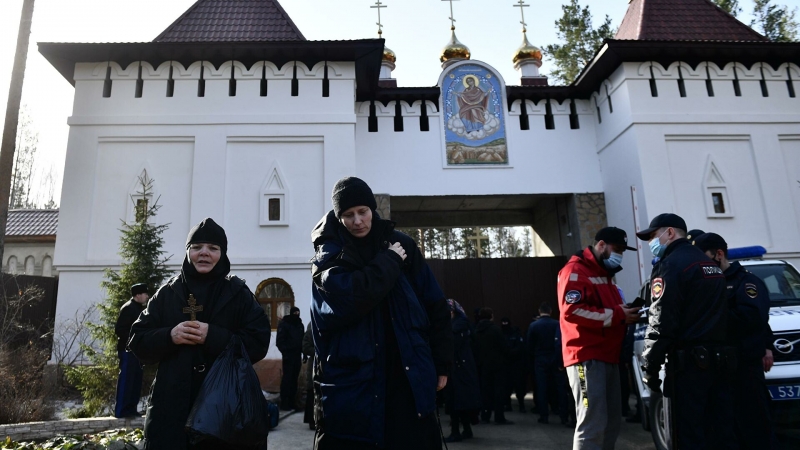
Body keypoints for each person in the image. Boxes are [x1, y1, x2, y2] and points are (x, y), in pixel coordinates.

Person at [310, 177, 453, 450]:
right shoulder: (328, 255)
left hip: (406, 379)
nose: (357, 221)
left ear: (373, 209)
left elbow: (435, 305)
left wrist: (442, 362)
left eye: (362, 212)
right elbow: (347, 301)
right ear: (338, 217)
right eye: (348, 215)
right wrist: (388, 262)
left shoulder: (403, 245)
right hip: (353, 384)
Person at [128, 218, 272, 450]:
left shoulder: (238, 294)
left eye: (213, 248)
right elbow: (137, 340)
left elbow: (258, 342)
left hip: (224, 410)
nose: (204, 253)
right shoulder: (168, 293)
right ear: (187, 252)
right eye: (196, 247)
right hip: (171, 409)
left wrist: (214, 336)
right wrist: (169, 336)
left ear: (222, 254)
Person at [636, 214, 736, 449]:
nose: (651, 242)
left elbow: (661, 323)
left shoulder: (670, 266)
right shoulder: (709, 265)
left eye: (653, 235)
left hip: (690, 368)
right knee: (720, 433)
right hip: (721, 365)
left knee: (688, 435)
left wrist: (649, 366)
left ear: (670, 232)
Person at [557, 226, 640, 449]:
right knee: (592, 424)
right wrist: (617, 315)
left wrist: (625, 313)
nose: (620, 254)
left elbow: (608, 310)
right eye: (618, 248)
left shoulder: (604, 274)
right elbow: (571, 311)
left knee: (611, 423)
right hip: (586, 357)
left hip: (608, 356)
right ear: (601, 245)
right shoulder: (575, 271)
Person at [693, 232, 777, 448]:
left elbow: (753, 318)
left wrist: (712, 314)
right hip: (718, 369)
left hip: (744, 368)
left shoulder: (746, 282)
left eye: (702, 258)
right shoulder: (707, 284)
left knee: (755, 428)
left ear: (718, 254)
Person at [443, 299, 481, 443]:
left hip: (457, 370)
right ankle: (466, 429)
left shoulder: (455, 327)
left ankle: (456, 431)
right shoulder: (464, 325)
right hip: (463, 369)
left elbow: (451, 346)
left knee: (455, 401)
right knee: (461, 401)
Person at [114, 283, 149, 418]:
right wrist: (134, 340)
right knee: (127, 380)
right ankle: (122, 410)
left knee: (135, 380)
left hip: (136, 351)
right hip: (128, 350)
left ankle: (131, 409)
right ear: (138, 295)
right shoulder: (128, 308)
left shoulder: (138, 308)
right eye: (145, 293)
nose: (147, 296)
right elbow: (120, 329)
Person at [474, 307, 514, 424]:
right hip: (497, 366)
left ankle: (485, 415)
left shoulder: (476, 330)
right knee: (499, 392)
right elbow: (504, 347)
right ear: (491, 316)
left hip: (483, 365)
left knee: (485, 391)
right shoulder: (495, 330)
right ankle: (499, 416)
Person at [527, 302, 559, 424]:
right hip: (554, 358)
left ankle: (543, 415)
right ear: (550, 311)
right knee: (557, 385)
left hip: (540, 358)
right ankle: (560, 412)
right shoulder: (556, 324)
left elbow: (529, 345)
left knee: (541, 387)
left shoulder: (534, 326)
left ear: (540, 311)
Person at [277, 306, 304, 411]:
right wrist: (286, 353)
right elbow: (280, 341)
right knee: (287, 380)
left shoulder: (299, 325)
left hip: (297, 356)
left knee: (294, 380)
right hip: (289, 356)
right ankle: (284, 403)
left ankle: (292, 403)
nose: (297, 314)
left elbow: (302, 340)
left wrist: (304, 353)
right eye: (295, 312)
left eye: (298, 312)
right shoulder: (285, 324)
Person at [501, 317, 527, 413]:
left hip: (514, 364)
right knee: (508, 387)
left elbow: (520, 348)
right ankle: (511, 404)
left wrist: (508, 353)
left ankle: (520, 404)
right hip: (510, 364)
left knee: (517, 386)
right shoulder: (504, 334)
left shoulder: (514, 334)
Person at [302, 321, 316, 430]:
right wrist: (317, 353)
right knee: (312, 393)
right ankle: (311, 420)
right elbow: (305, 346)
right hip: (314, 365)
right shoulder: (312, 325)